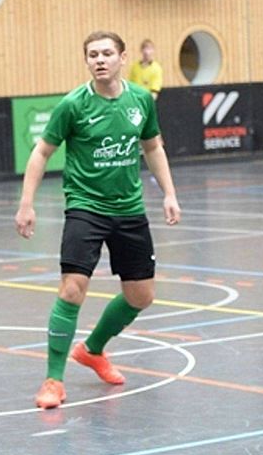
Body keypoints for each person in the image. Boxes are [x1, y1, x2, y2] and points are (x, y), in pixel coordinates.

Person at [14, 31, 181, 410]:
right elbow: (41, 153)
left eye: (107, 53)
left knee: (141, 296)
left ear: (122, 58)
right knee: (72, 290)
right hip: (85, 207)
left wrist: (169, 193)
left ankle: (92, 350)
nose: (100, 60)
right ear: (86, 61)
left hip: (130, 209)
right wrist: (27, 204)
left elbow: (152, 147)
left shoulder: (140, 100)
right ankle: (53, 380)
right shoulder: (73, 105)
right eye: (93, 55)